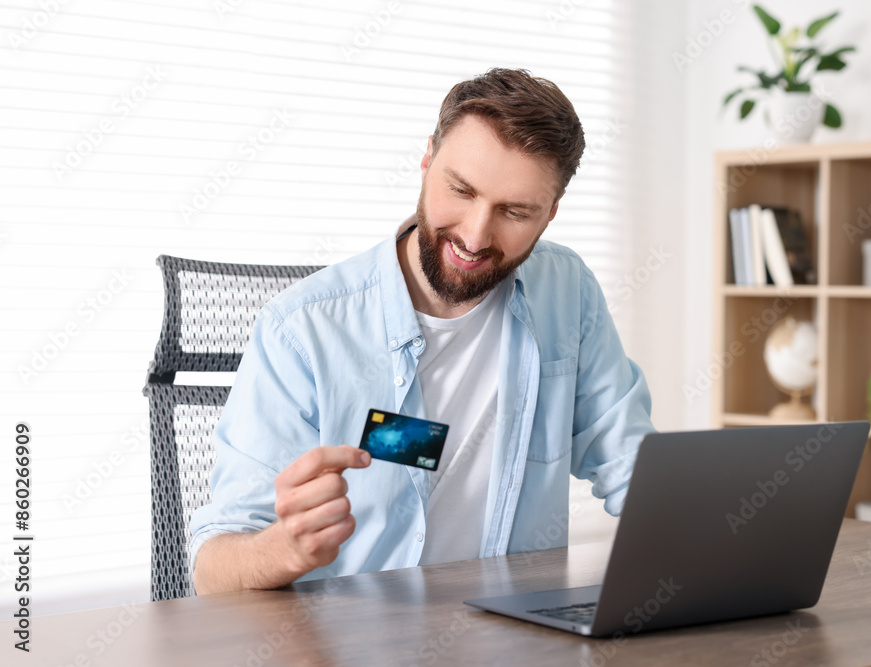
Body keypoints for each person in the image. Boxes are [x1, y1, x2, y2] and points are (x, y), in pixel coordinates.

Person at [190, 68, 655, 594]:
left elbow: (632, 467)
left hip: (518, 640)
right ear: (427, 157)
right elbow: (213, 573)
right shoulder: (302, 330)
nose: (476, 236)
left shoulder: (565, 290)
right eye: (460, 190)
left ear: (550, 212)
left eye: (515, 211)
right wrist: (281, 550)